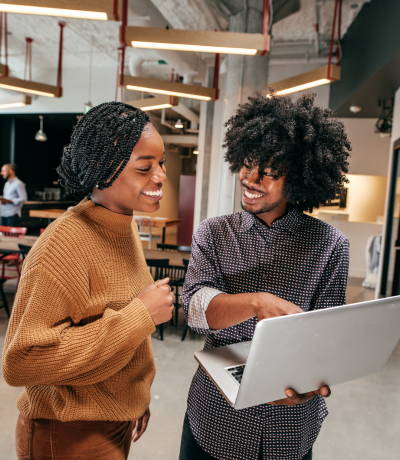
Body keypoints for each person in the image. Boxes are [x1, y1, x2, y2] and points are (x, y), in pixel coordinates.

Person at [179, 92, 351, 460]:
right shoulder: (213, 233)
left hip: (289, 430)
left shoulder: (330, 246)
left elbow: (327, 338)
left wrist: (310, 383)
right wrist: (257, 303)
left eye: (270, 171)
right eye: (248, 163)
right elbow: (195, 309)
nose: (251, 178)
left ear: (301, 177)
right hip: (217, 420)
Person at [2, 102, 175, 460]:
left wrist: (133, 399)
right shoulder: (63, 244)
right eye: (145, 167)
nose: (160, 176)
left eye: (161, 164)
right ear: (102, 171)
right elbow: (21, 361)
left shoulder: (122, 225)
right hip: (66, 432)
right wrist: (139, 316)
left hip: (112, 419)